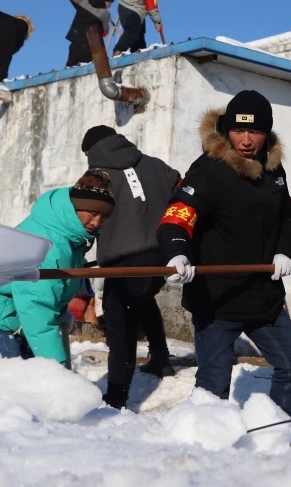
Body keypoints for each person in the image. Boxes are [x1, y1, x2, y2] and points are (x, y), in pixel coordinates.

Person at [156, 90, 291, 416]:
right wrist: (177, 252)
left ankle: (276, 431)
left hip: (262, 296)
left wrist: (284, 252)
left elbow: (285, 216)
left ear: (266, 133)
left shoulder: (274, 171)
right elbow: (179, 214)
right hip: (217, 299)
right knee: (213, 384)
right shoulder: (209, 169)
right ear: (226, 130)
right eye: (238, 131)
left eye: (254, 131)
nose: (245, 140)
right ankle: (208, 448)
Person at [0, 169, 115, 368]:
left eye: (103, 217)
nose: (96, 223)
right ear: (76, 206)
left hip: (20, 314)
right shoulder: (49, 246)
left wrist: (60, 313)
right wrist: (57, 366)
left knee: (28, 390)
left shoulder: (67, 229)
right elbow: (36, 306)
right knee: (9, 391)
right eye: (92, 214)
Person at [82, 125, 182, 409]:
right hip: (161, 257)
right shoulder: (156, 165)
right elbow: (180, 189)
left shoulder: (97, 176)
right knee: (144, 300)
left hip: (123, 263)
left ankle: (116, 398)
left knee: (120, 330)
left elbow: (86, 214)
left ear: (93, 150)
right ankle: (160, 358)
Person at [65, 0, 114, 67]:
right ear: (106, 1)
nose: (110, 6)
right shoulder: (105, 14)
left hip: (75, 42)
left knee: (69, 69)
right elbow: (104, 33)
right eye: (110, 3)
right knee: (87, 70)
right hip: (90, 46)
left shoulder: (83, 2)